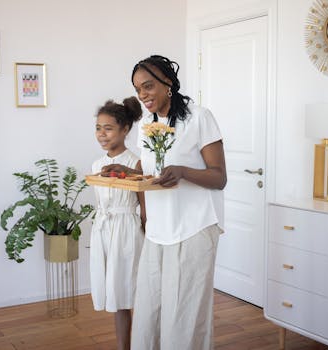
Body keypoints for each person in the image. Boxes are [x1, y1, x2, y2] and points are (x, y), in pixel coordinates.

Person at [102, 55, 227, 350]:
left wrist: (183, 172)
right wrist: (125, 172)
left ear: (168, 83)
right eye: (137, 89)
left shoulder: (199, 117)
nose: (143, 95)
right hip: (158, 230)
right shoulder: (148, 124)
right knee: (150, 311)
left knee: (183, 315)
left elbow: (219, 177)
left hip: (194, 228)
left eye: (148, 86)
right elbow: (151, 174)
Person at [90, 97, 145, 350]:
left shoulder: (136, 163)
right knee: (115, 293)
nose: (102, 134)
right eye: (98, 127)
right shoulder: (97, 165)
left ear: (125, 129)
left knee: (129, 292)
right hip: (104, 229)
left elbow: (145, 207)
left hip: (127, 233)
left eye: (109, 128)